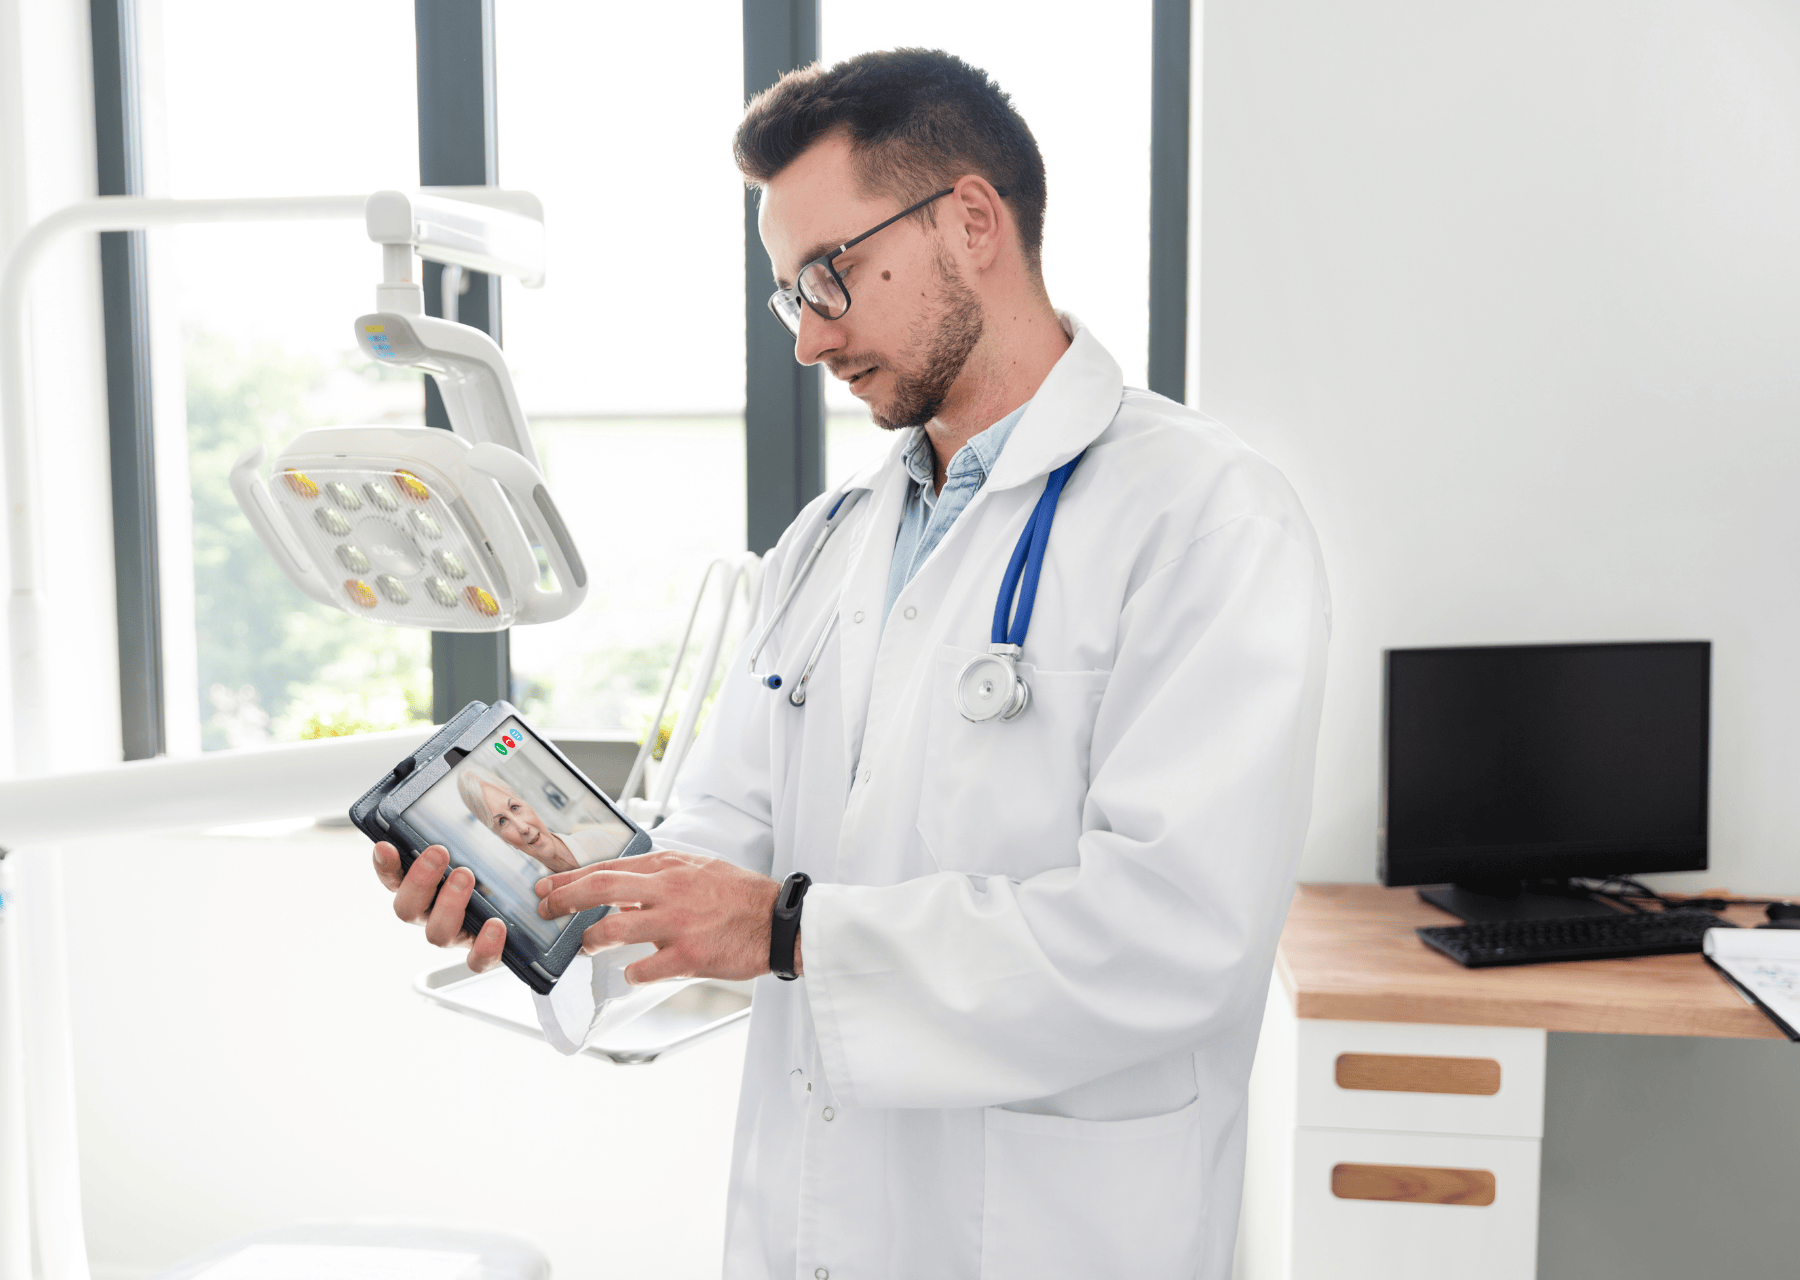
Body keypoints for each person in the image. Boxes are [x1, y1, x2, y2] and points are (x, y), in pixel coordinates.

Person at [375, 48, 1330, 1280]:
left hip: (1060, 1233)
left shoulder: (1205, 518)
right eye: (790, 295)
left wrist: (789, 929)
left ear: (971, 220)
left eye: (829, 275)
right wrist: (537, 894)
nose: (808, 338)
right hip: (821, 1226)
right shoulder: (826, 547)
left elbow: (1176, 931)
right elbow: (720, 850)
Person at [453, 764, 614, 874]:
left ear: (526, 804)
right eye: (502, 821)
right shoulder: (551, 902)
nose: (523, 828)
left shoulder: (600, 841)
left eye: (514, 808)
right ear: (503, 839)